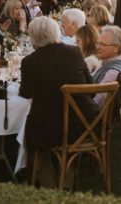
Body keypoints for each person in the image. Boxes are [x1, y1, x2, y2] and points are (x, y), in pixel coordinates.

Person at [19, 17, 99, 155]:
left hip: (51, 129)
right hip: (86, 123)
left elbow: (25, 93)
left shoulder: (29, 62)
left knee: (31, 126)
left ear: (33, 37)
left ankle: (40, 169)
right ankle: (65, 168)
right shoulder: (74, 52)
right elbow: (90, 89)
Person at [91, 25, 121, 107]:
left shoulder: (113, 71)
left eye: (102, 44)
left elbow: (99, 102)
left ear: (116, 48)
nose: (97, 47)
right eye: (97, 43)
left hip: (93, 115)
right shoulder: (106, 63)